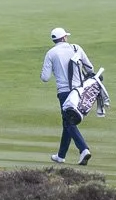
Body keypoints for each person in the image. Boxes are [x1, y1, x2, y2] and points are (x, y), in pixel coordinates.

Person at [40, 26, 95, 166]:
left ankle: (84, 149)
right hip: (80, 91)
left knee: (69, 122)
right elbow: (90, 69)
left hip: (64, 93)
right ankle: (61, 156)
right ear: (64, 37)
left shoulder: (51, 53)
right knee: (67, 122)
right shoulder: (76, 48)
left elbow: (45, 78)